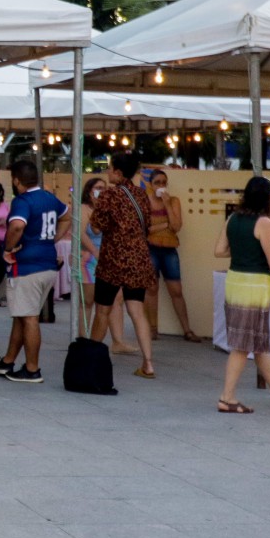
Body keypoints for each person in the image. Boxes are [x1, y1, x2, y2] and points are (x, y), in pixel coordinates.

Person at [213, 176, 270, 412]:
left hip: (234, 282)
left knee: (259, 342)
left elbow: (219, 251)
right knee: (243, 345)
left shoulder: (233, 218)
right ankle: (227, 398)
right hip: (254, 287)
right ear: (268, 197)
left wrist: (243, 248)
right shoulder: (264, 223)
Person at [0, 158, 69, 384]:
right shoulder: (50, 198)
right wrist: (51, 239)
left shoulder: (23, 201)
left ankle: (32, 369)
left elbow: (18, 226)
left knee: (29, 317)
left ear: (16, 180)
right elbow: (67, 216)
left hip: (27, 267)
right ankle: (8, 360)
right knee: (22, 315)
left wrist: (8, 249)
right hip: (48, 265)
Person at [89, 152, 157, 380]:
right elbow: (147, 224)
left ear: (118, 172)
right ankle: (148, 363)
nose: (107, 173)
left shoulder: (110, 195)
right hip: (139, 259)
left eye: (110, 169)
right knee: (137, 310)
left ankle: (92, 357)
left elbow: (97, 227)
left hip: (114, 260)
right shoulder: (141, 194)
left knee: (103, 310)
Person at [145, 169, 203, 342]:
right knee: (151, 288)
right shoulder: (145, 202)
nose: (161, 186)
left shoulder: (174, 201)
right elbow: (146, 229)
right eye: (157, 183)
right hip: (150, 248)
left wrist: (167, 204)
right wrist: (166, 224)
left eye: (164, 182)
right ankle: (152, 329)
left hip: (169, 249)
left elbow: (176, 226)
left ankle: (187, 330)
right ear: (150, 184)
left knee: (176, 290)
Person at [76, 176, 130, 353]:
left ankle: (118, 341)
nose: (102, 190)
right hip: (90, 258)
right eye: (99, 187)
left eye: (105, 188)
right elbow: (82, 234)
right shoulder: (84, 209)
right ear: (89, 191)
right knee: (88, 301)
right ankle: (83, 337)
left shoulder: (110, 209)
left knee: (115, 299)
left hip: (109, 260)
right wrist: (96, 252)